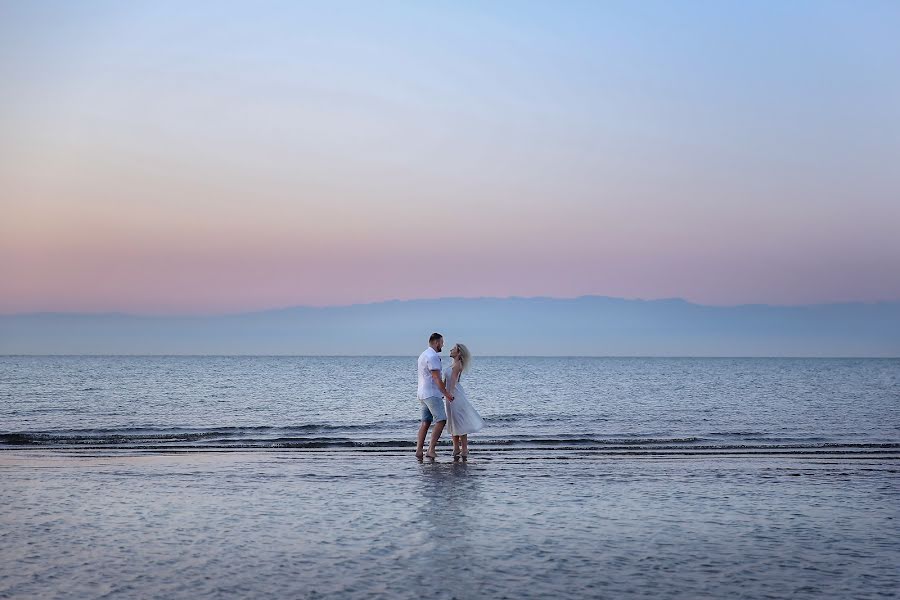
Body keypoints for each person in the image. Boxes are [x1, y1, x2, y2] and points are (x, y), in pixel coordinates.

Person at [416, 332, 454, 459]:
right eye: (442, 343)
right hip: (431, 393)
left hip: (422, 393)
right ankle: (430, 449)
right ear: (436, 342)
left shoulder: (423, 354)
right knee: (441, 419)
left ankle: (419, 450)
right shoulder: (432, 356)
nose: (442, 345)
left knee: (426, 422)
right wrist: (446, 393)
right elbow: (436, 378)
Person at [444, 343, 484, 458]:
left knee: (460, 422)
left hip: (455, 396)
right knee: (453, 422)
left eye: (453, 349)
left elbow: (452, 383)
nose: (450, 350)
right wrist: (444, 394)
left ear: (459, 352)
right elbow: (446, 381)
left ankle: (464, 449)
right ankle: (456, 448)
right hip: (450, 396)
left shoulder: (458, 365)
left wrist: (449, 394)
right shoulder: (453, 364)